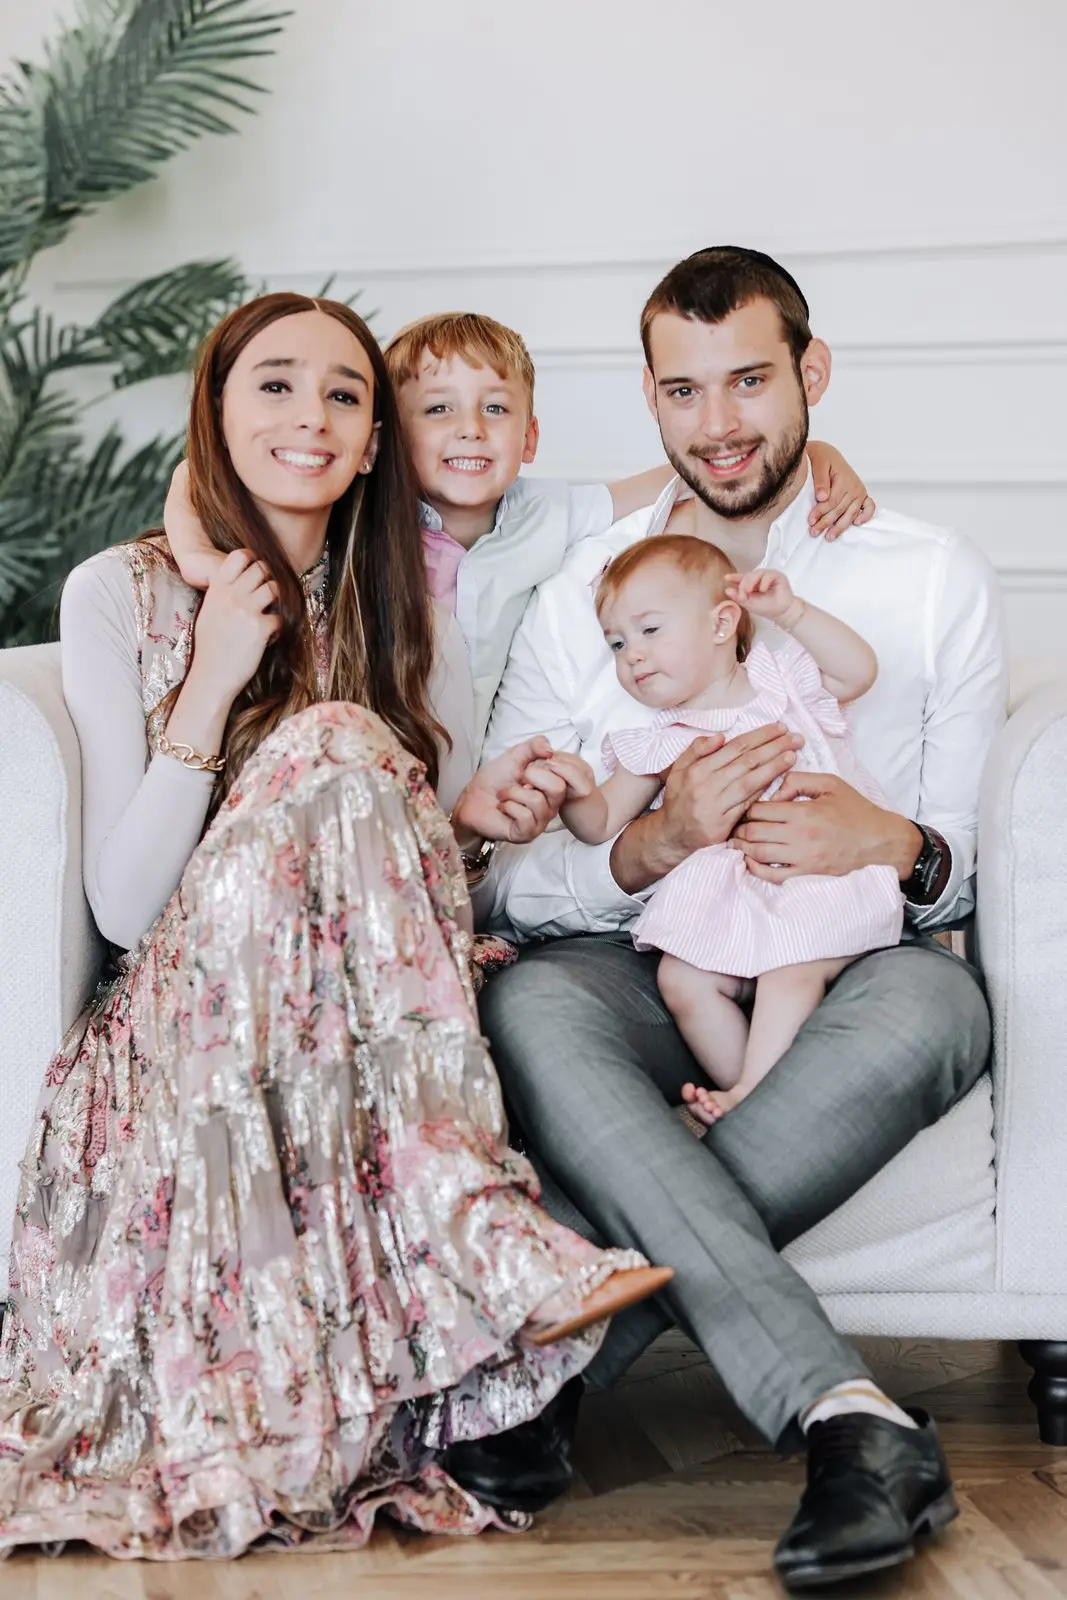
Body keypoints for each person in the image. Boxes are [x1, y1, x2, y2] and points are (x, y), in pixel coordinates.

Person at [0, 292, 672, 1561]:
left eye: (344, 395)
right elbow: (125, 909)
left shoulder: (412, 611)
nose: (310, 414)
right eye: (274, 384)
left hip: (350, 1043)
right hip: (179, 1031)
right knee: (337, 734)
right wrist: (213, 670)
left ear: (374, 443)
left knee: (356, 745)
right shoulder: (119, 593)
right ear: (216, 408)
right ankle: (469, 1226)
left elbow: (427, 913)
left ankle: (455, 1223)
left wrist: (467, 819)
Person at [473, 248, 1007, 1589]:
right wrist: (650, 841)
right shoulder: (581, 593)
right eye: (682, 391)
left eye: (749, 381)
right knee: (527, 998)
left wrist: (889, 842)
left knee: (938, 1006)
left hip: (856, 957)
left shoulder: (925, 574)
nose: (717, 424)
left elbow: (969, 857)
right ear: (647, 403)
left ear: (808, 375)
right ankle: (847, 1413)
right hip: (645, 951)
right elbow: (509, 882)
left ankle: (554, 1364)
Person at [166, 308, 877, 749]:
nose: (471, 430)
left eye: (495, 411)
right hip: (372, 753)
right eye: (438, 410)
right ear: (380, 441)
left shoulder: (544, 516)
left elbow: (679, 468)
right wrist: (197, 558)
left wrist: (810, 453)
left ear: (529, 437)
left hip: (483, 777)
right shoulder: (366, 519)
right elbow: (200, 476)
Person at [547, 536, 903, 1122]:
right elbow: (601, 822)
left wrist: (791, 613)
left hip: (821, 875)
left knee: (792, 966)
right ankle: (751, 1099)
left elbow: (859, 670)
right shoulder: (665, 735)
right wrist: (572, 793)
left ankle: (757, 1091)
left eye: (650, 630)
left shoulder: (783, 681)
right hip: (735, 898)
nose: (631, 655)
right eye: (617, 642)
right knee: (681, 978)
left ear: (721, 624)